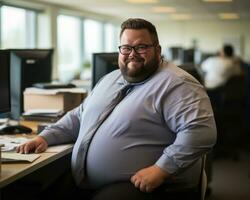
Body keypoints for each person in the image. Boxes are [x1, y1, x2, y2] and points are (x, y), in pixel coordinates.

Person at [17, 18, 217, 200]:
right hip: (87, 180)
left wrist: (161, 169)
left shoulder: (177, 84)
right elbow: (79, 116)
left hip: (142, 185)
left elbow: (201, 132)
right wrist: (45, 137)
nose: (133, 54)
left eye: (141, 47)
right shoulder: (110, 79)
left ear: (157, 49)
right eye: (126, 47)